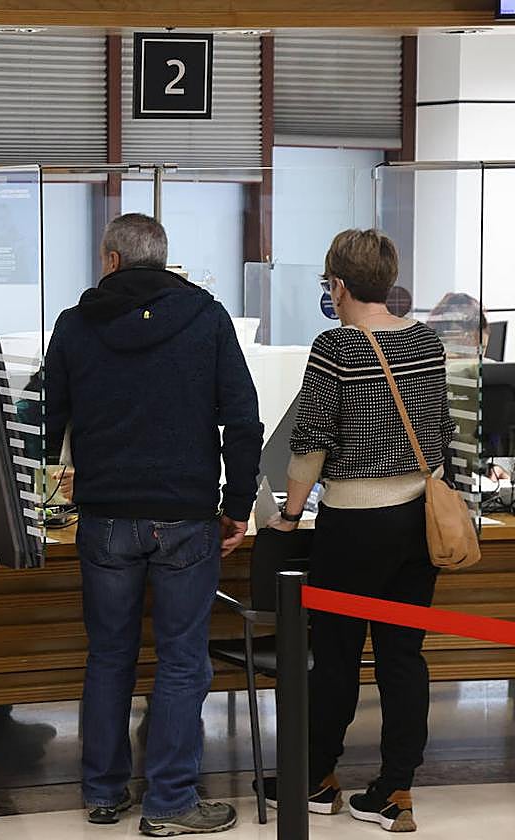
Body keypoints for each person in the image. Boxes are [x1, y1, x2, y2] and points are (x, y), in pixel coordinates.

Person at [44, 213, 263, 836]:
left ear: (112, 260)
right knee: (182, 661)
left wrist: (37, 501)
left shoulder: (74, 324)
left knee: (109, 656)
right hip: (187, 518)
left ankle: (103, 794)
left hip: (106, 517)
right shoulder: (207, 318)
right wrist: (237, 504)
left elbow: (44, 419)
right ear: (163, 261)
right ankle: (170, 803)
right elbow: (243, 422)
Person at [268, 229, 453, 833]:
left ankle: (316, 778)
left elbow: (311, 443)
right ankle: (396, 790)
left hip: (354, 524)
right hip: (418, 519)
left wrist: (290, 514)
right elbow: (440, 432)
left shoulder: (335, 348)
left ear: (338, 285)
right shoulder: (427, 343)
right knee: (404, 657)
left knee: (337, 655)